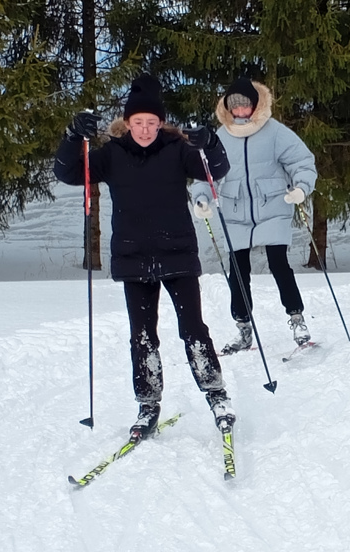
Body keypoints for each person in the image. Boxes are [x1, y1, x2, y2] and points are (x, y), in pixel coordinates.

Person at [53, 73, 236, 438]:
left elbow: (216, 170)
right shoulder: (112, 154)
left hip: (177, 254)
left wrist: (211, 142)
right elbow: (68, 173)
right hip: (133, 258)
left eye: (152, 122)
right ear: (128, 122)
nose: (146, 129)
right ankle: (148, 404)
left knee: (194, 330)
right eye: (139, 122)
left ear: (161, 122)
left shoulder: (177, 149)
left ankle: (217, 396)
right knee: (142, 335)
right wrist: (73, 136)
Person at [191, 77, 318, 354]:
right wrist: (201, 198)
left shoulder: (275, 132)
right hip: (235, 210)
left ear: (255, 104)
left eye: (245, 105)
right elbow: (205, 172)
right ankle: (243, 327)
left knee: (278, 263)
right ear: (227, 108)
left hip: (272, 206)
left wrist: (301, 188)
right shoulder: (220, 136)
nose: (240, 111)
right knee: (237, 270)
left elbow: (302, 161)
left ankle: (297, 320)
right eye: (234, 106)